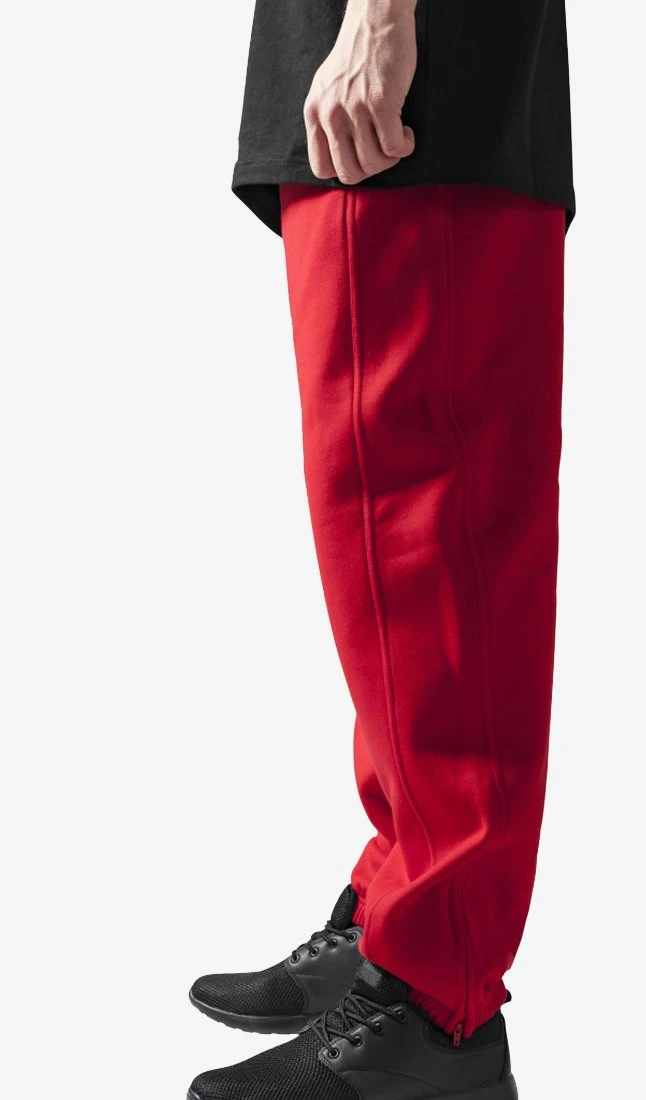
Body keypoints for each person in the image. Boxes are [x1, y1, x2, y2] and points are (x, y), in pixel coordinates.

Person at [187, 0, 574, 1096]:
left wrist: (381, 16)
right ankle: (400, 909)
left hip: (418, 84)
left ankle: (434, 1000)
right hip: (391, 85)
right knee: (385, 564)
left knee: (426, 538)